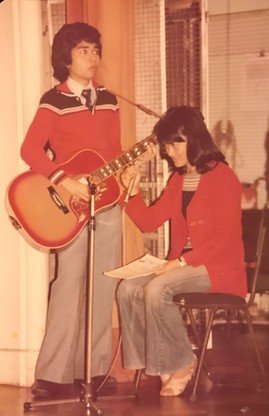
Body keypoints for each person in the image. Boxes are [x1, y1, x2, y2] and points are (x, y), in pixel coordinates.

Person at [21, 22, 122, 398]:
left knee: (103, 285)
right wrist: (62, 178)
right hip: (70, 207)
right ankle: (51, 375)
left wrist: (126, 175)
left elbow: (114, 150)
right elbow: (30, 151)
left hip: (108, 203)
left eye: (95, 50)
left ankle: (94, 371)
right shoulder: (54, 100)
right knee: (68, 286)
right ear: (66, 57)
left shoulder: (111, 99)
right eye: (84, 50)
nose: (93, 57)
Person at [117, 106, 247, 397]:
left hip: (218, 268)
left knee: (157, 288)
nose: (168, 151)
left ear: (195, 139)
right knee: (127, 288)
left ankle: (183, 362)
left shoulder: (223, 177)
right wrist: (133, 191)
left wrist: (179, 261)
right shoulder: (178, 180)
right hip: (184, 267)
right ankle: (156, 361)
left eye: (175, 142)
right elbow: (148, 222)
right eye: (165, 144)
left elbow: (224, 239)